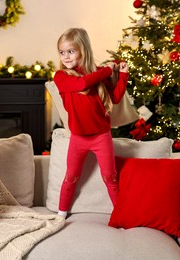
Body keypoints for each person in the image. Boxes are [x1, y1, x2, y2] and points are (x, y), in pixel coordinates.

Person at [53, 28, 129, 218]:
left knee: (110, 177)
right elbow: (81, 84)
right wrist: (105, 71)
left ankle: (120, 214)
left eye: (71, 51)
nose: (66, 57)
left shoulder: (97, 75)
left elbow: (116, 98)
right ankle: (60, 215)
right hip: (78, 138)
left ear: (83, 51)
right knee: (70, 177)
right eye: (62, 52)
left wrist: (123, 76)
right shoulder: (61, 77)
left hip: (101, 135)